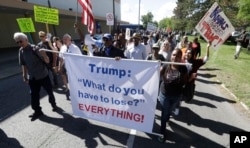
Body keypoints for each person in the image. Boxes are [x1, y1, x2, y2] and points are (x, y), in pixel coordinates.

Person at [13, 32, 58, 121]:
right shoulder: (21, 51)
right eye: (17, 42)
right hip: (33, 77)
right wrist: (24, 75)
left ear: (26, 40)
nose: (19, 44)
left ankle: (53, 105)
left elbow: (47, 61)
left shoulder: (35, 49)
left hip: (43, 75)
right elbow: (24, 64)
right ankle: (37, 111)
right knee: (33, 94)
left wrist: (44, 54)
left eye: (20, 41)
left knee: (49, 92)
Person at [158, 49, 188, 142]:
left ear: (181, 58)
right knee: (164, 113)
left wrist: (191, 78)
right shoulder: (166, 65)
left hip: (176, 96)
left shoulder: (183, 68)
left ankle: (167, 119)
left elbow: (185, 81)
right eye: (174, 55)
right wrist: (157, 65)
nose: (175, 57)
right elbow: (158, 73)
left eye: (178, 56)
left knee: (169, 111)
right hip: (165, 95)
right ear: (171, 56)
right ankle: (162, 133)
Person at [58, 33, 82, 99]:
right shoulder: (62, 47)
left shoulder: (75, 48)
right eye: (63, 39)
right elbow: (61, 57)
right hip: (65, 66)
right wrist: (60, 66)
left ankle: (76, 93)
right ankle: (67, 88)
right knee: (65, 78)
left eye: (66, 39)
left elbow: (80, 58)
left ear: (70, 40)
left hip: (73, 68)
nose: (64, 41)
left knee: (73, 81)